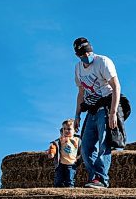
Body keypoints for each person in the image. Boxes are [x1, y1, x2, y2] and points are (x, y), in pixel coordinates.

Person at [73, 37, 121, 189]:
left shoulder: (103, 61)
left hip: (105, 108)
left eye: (88, 52)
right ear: (78, 55)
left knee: (104, 142)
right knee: (86, 147)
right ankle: (93, 177)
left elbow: (116, 86)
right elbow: (81, 92)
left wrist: (113, 112)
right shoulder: (78, 68)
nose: (87, 55)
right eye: (83, 54)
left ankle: (102, 178)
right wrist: (77, 115)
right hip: (91, 109)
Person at [47, 119, 81, 188]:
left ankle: (70, 193)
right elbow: (54, 146)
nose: (66, 131)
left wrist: (80, 157)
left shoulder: (77, 140)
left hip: (72, 164)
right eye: (64, 129)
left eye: (69, 129)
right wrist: (52, 152)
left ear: (75, 130)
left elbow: (83, 149)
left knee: (70, 180)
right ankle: (58, 191)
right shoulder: (61, 139)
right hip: (61, 164)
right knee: (58, 180)